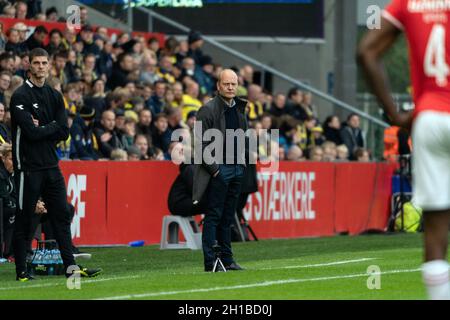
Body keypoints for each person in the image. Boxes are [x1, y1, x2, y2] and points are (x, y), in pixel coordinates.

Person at [358, 0, 450, 300]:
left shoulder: (408, 3)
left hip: (430, 119)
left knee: (436, 229)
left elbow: (366, 51)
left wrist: (396, 115)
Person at [10, 48, 101, 281]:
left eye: (44, 63)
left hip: (51, 165)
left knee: (61, 215)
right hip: (28, 167)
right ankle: (21, 270)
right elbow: (30, 133)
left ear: (49, 66)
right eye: (36, 63)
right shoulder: (20, 96)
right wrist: (49, 128)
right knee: (25, 218)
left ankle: (72, 267)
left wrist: (44, 127)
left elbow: (64, 131)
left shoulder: (54, 95)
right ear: (29, 66)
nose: (41, 67)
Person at [193, 69, 247, 272]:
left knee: (228, 216)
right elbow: (199, 144)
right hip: (219, 169)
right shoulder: (207, 110)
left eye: (234, 84)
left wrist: (241, 164)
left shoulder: (240, 108)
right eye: (227, 84)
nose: (231, 87)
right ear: (218, 86)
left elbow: (242, 137)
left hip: (235, 168)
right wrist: (215, 170)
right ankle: (210, 262)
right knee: (214, 215)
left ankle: (227, 259)